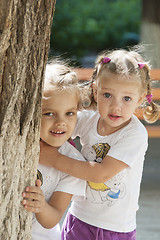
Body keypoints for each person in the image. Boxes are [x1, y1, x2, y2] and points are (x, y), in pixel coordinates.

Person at [39, 48, 160, 240]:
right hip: (78, 219)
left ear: (139, 99)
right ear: (95, 91)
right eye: (107, 95)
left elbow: (100, 173)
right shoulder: (88, 120)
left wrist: (54, 159)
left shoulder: (134, 135)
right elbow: (59, 125)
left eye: (126, 98)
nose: (115, 106)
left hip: (115, 229)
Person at [21, 60, 87, 240]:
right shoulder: (17, 142)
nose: (60, 122)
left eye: (69, 113)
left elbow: (53, 219)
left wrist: (41, 206)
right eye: (49, 113)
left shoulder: (73, 162)